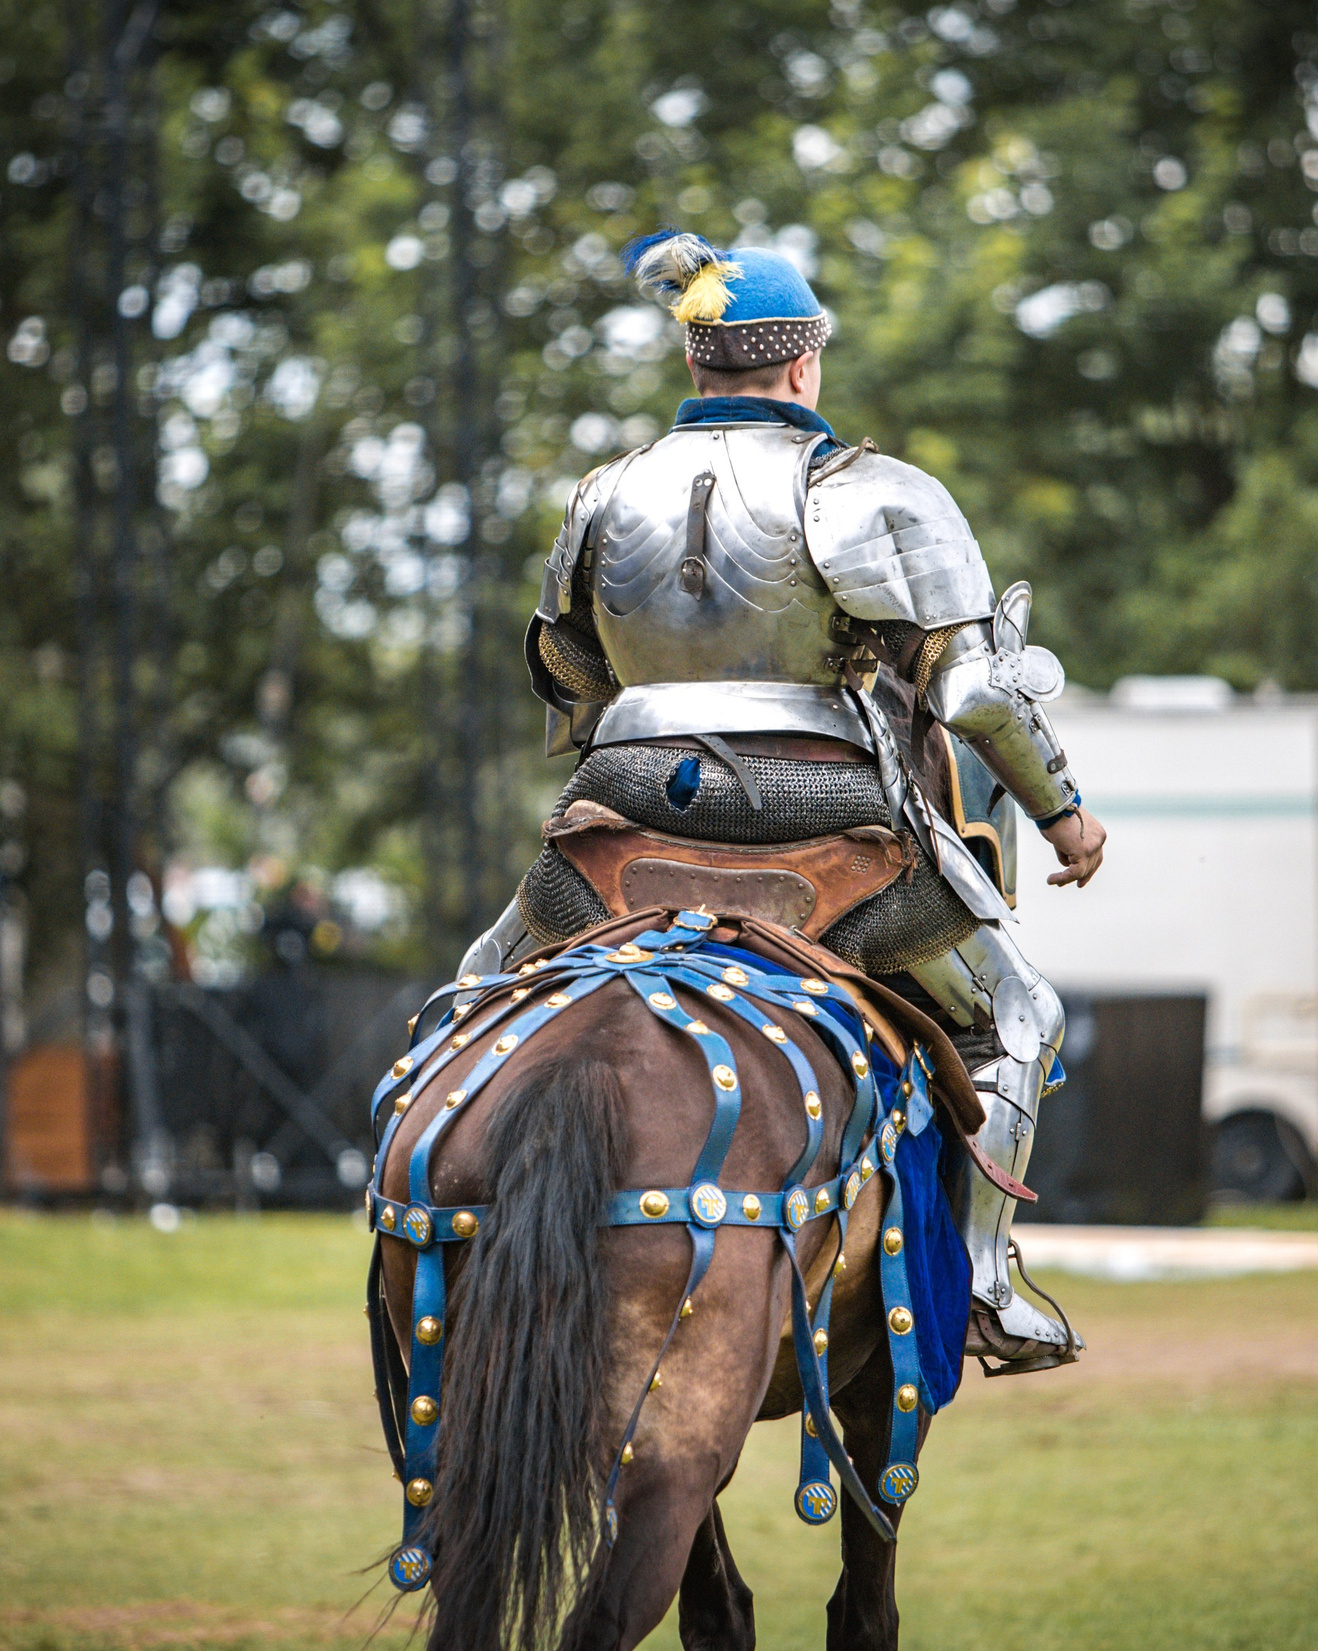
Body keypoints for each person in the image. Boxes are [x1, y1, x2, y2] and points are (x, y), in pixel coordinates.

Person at [459, 230, 1107, 1372]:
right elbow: (969, 692)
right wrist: (1062, 815)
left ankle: (443, 1239)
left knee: (471, 999)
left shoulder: (604, 492)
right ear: (804, 367)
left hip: (621, 819)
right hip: (821, 835)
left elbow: (566, 672)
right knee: (1020, 1018)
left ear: (696, 363)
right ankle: (994, 1288)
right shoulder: (878, 491)